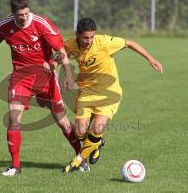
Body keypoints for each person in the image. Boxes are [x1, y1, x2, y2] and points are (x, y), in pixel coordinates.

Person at [0, 0, 88, 176]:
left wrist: (69, 77)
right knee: (14, 119)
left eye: (26, 13)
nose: (24, 17)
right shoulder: (6, 26)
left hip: (45, 77)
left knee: (62, 120)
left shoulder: (42, 24)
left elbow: (61, 51)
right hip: (20, 78)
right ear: (13, 13)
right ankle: (15, 166)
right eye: (20, 15)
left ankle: (81, 158)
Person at [61, 18, 163, 173]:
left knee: (97, 127)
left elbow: (130, 43)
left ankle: (78, 160)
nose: (89, 41)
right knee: (80, 132)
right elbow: (60, 54)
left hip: (109, 93)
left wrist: (151, 59)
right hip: (87, 93)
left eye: (92, 37)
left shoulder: (104, 42)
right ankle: (97, 143)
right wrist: (53, 67)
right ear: (77, 35)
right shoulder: (71, 44)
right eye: (85, 37)